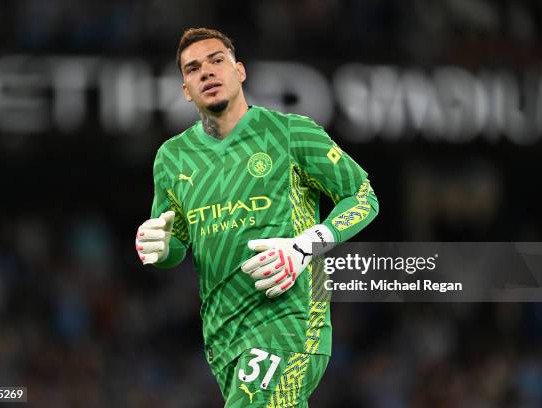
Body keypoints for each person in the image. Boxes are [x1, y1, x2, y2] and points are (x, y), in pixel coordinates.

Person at [135, 27, 379, 407]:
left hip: (293, 320)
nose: (207, 72)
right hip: (223, 333)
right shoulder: (172, 158)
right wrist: (164, 248)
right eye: (193, 68)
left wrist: (303, 247)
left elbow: (363, 197)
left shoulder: (290, 133)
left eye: (217, 61)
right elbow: (177, 244)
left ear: (240, 71)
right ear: (185, 89)